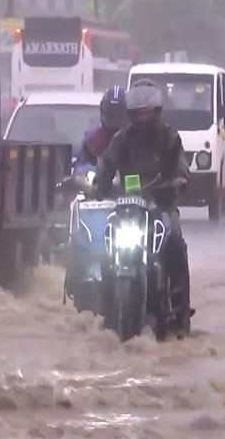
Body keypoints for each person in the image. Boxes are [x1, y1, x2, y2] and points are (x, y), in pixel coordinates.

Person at [94, 78, 194, 338]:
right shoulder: (121, 139)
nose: (144, 116)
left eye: (148, 111)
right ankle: (105, 306)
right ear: (131, 113)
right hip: (129, 208)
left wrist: (178, 180)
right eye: (139, 112)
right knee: (105, 246)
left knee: (175, 241)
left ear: (157, 111)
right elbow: (106, 165)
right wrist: (99, 184)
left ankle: (181, 314)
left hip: (161, 205)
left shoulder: (169, 136)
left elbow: (181, 165)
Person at [74, 85, 128, 170]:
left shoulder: (134, 137)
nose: (114, 118)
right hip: (99, 181)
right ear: (103, 111)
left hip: (130, 181)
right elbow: (81, 165)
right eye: (111, 114)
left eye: (118, 114)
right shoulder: (93, 138)